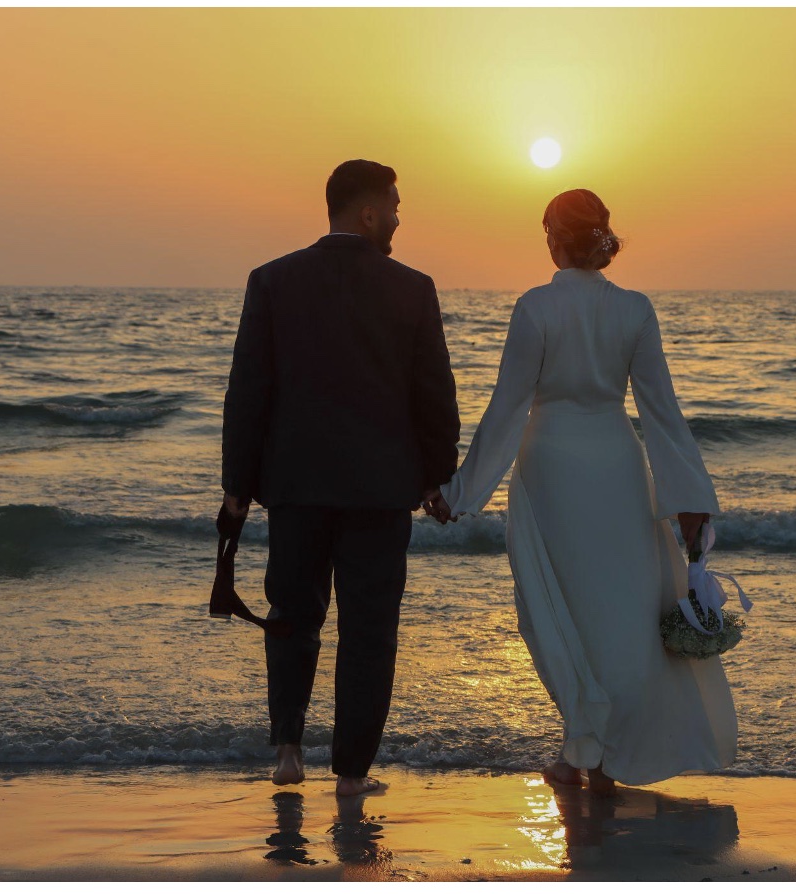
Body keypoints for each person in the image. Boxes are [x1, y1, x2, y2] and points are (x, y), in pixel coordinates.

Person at [424, 188, 734, 793]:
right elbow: (662, 412)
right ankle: (598, 753)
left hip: (553, 472)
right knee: (621, 616)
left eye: (546, 229)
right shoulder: (635, 309)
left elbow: (509, 407)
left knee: (558, 613)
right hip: (619, 467)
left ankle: (585, 748)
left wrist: (461, 493)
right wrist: (689, 499)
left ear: (556, 237)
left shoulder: (535, 307)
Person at [216, 159, 460, 797]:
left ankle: (289, 754)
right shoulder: (413, 288)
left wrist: (237, 485)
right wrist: (439, 477)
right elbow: (435, 396)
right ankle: (351, 773)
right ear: (369, 211)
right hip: (380, 492)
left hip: (294, 488)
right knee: (369, 632)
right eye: (395, 205)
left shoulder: (271, 281)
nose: (400, 218)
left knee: (292, 616)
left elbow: (248, 392)